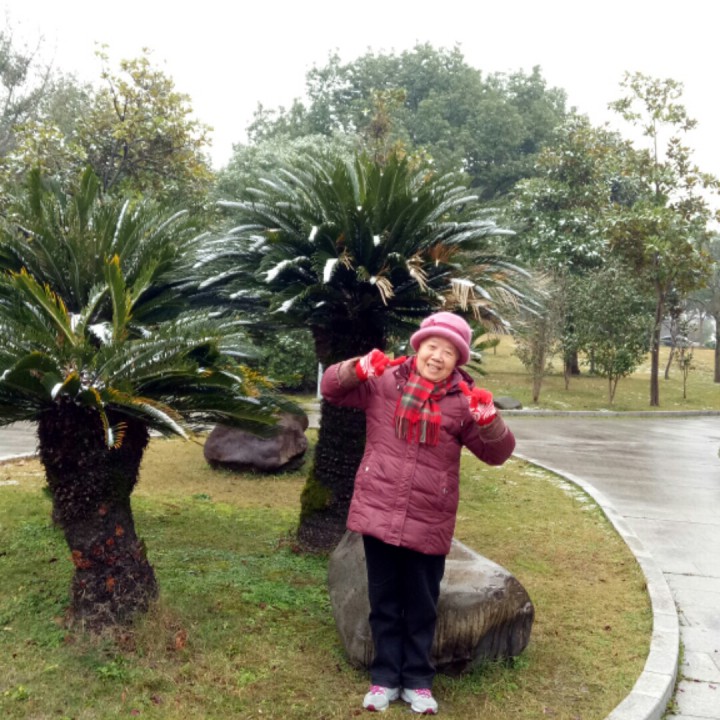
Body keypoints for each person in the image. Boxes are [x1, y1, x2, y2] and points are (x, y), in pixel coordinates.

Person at [320, 311, 516, 715]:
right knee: (384, 603)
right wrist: (357, 368)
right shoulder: (384, 383)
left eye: (449, 352)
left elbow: (497, 453)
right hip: (379, 512)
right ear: (419, 346)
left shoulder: (463, 402)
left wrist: (489, 420)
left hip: (429, 518)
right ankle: (384, 678)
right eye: (432, 346)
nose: (437, 356)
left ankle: (418, 682)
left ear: (458, 360)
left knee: (423, 606)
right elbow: (331, 389)